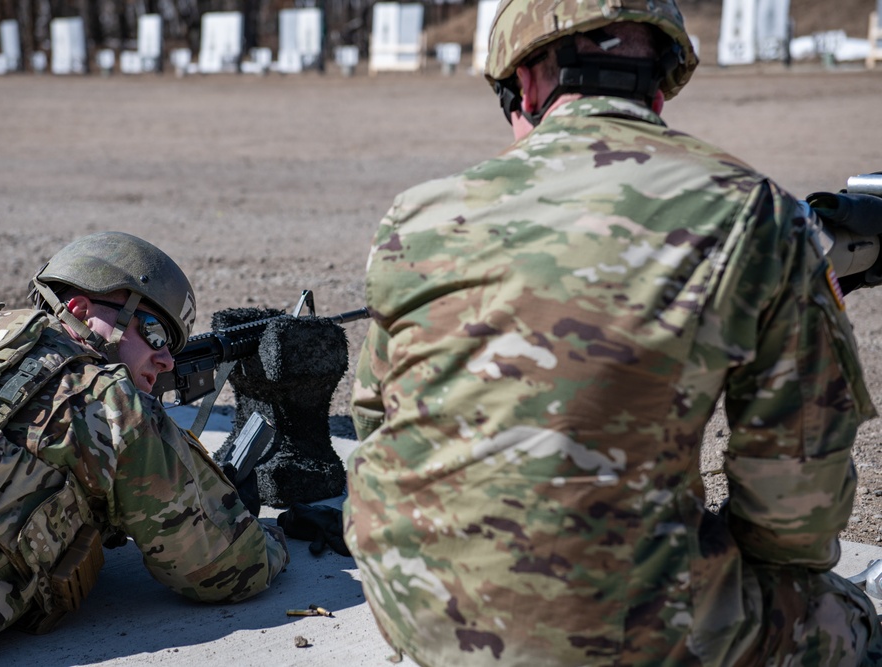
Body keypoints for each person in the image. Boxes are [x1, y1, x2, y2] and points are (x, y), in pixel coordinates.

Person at [342, 0, 882, 665]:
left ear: (530, 85)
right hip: (610, 635)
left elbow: (376, 426)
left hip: (413, 604)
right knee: (843, 617)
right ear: (661, 82)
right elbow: (798, 517)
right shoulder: (756, 214)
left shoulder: (416, 215)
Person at [0, 231, 289, 666]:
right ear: (80, 309)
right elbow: (227, 568)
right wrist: (268, 535)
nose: (167, 359)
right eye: (153, 333)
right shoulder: (114, 405)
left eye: (172, 347)